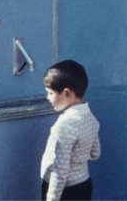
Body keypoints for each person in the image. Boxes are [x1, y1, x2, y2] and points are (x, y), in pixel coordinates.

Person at [41, 60, 101, 201]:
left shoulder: (64, 125)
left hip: (63, 191)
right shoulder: (91, 119)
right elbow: (95, 153)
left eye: (50, 93)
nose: (47, 98)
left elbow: (60, 171)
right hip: (83, 184)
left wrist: (52, 198)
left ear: (67, 93)